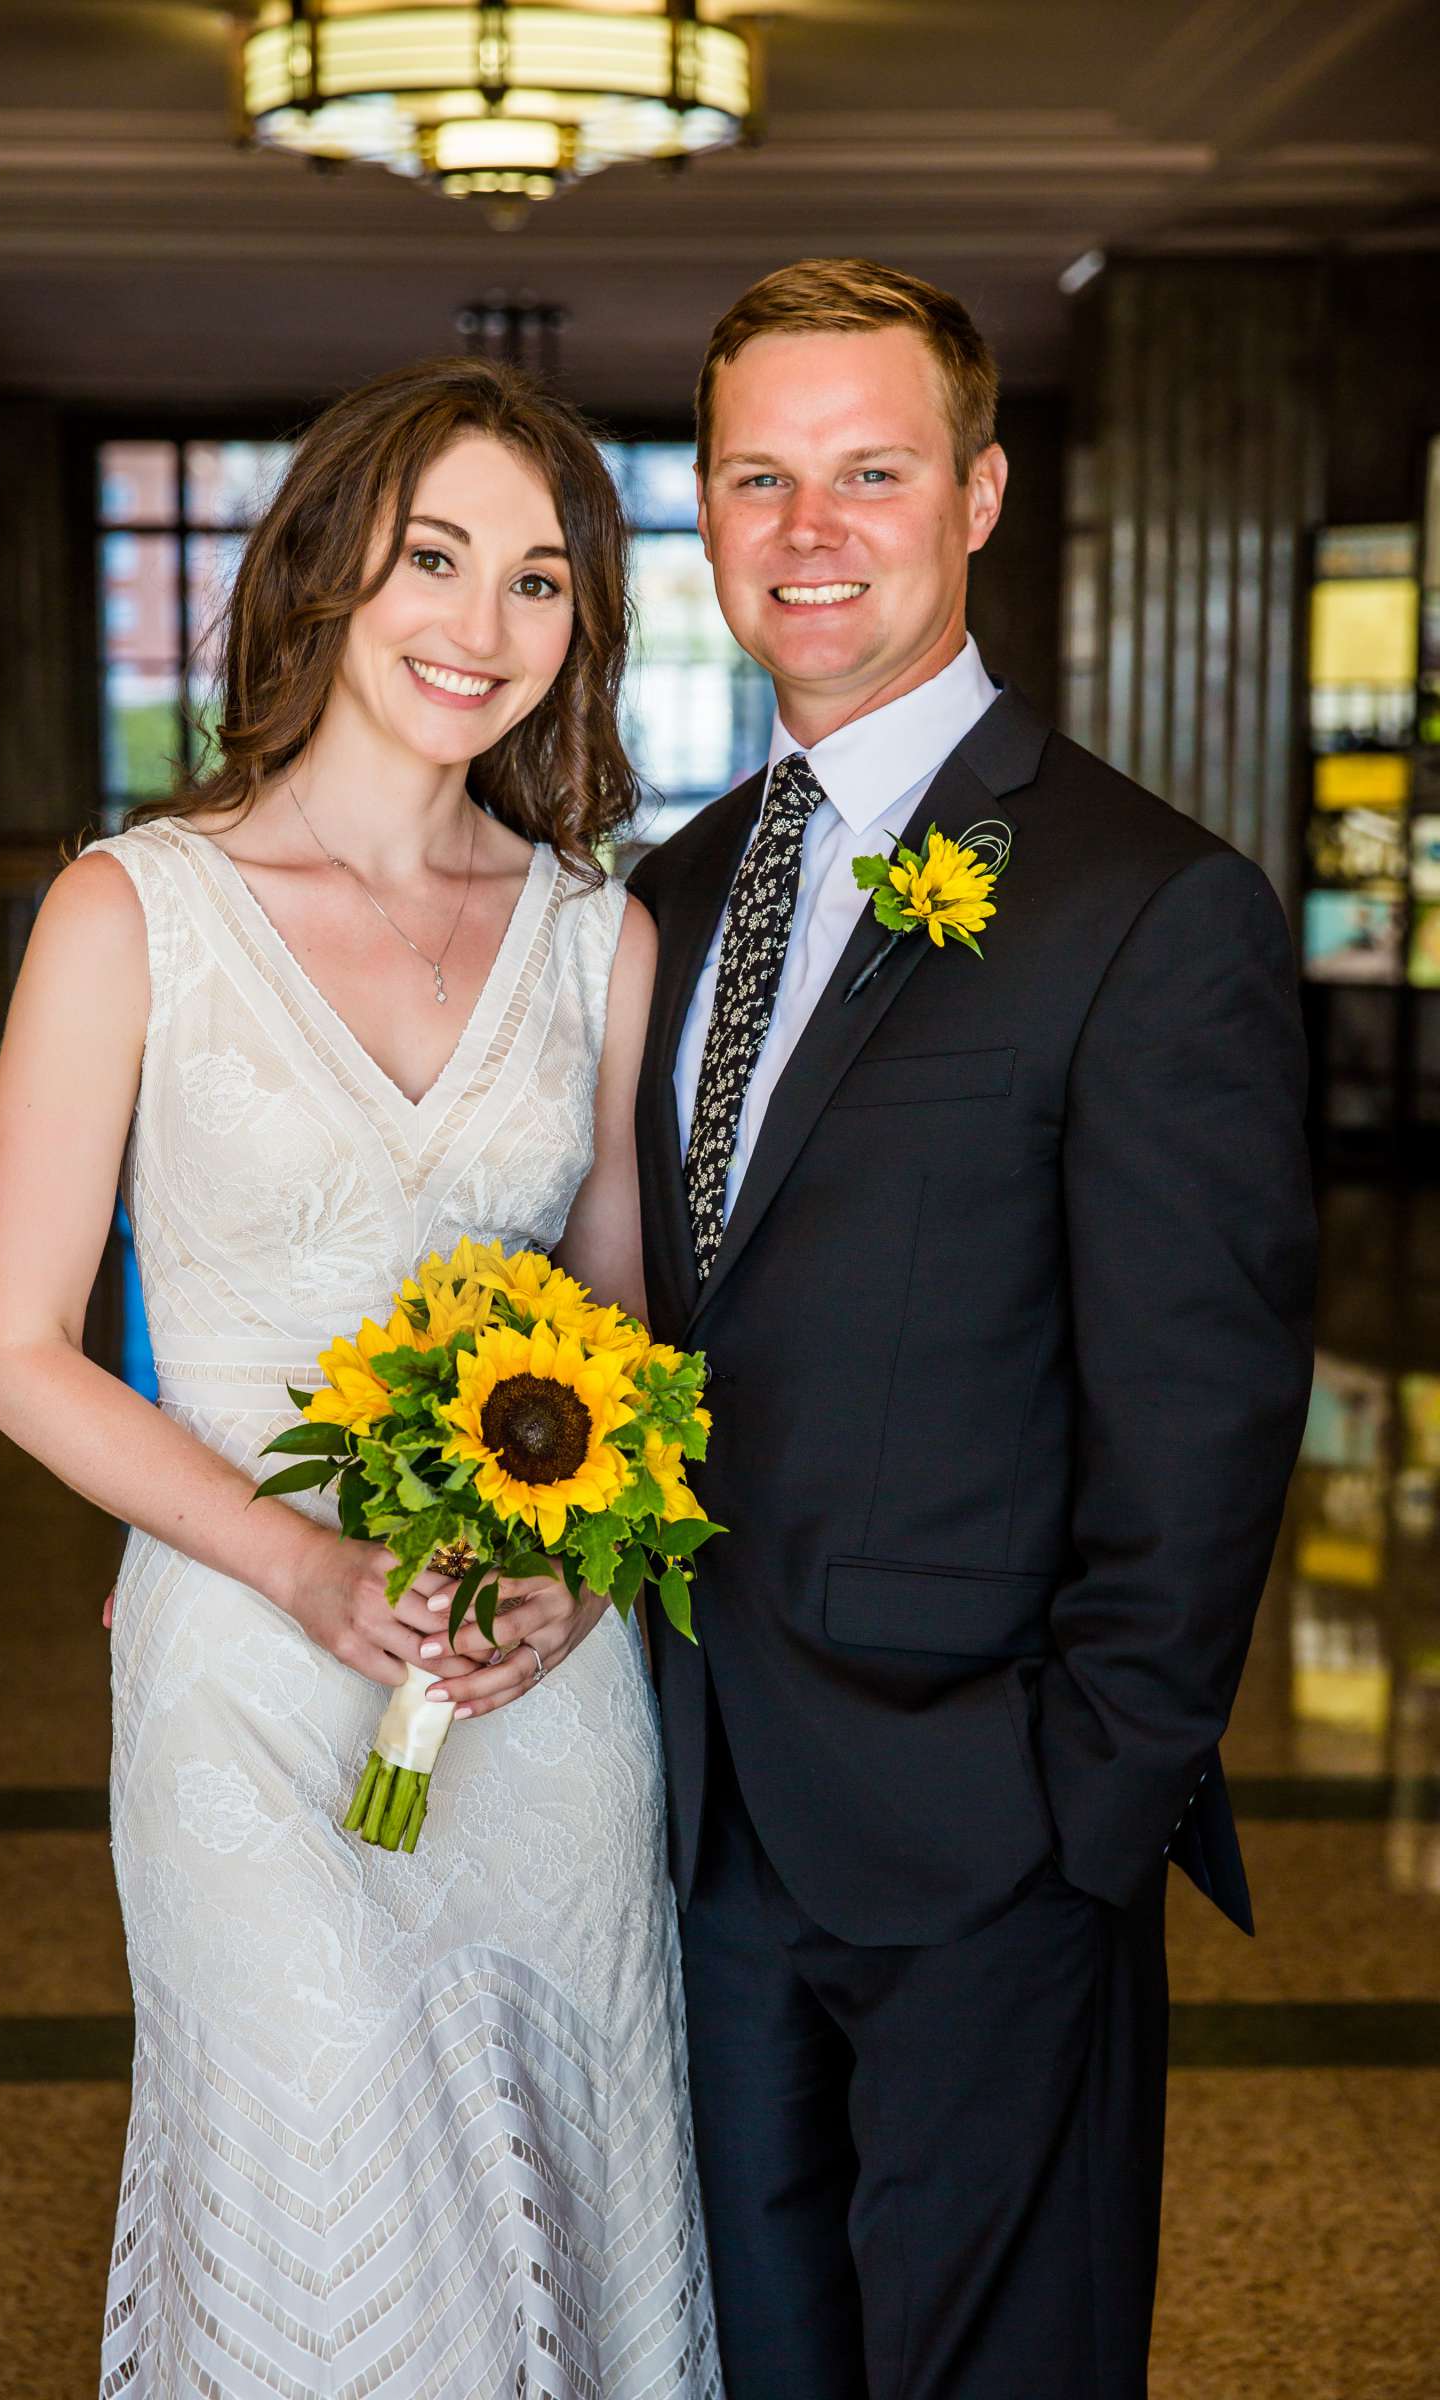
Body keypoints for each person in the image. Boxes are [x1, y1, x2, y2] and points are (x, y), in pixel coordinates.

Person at [0, 359, 721, 2398]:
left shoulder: (594, 940)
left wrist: (586, 1573)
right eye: (432, 559)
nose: (479, 627)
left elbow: (619, 1335)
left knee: (550, 2171)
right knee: (328, 2192)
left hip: (532, 1689)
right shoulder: (137, 912)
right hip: (245, 1680)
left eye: (539, 581)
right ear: (321, 576)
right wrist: (294, 1569)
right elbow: (9, 1343)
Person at [627, 258, 1317, 2399]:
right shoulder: (669, 891)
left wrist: (1076, 1815)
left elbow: (1197, 1411)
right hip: (688, 1817)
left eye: (868, 471)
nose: (805, 526)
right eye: (757, 475)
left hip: (985, 1835)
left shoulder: (1145, 901)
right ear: (709, 511)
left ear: (979, 494)